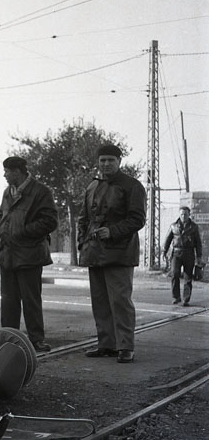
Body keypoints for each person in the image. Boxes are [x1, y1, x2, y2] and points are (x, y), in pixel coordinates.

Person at [78, 144, 146, 364]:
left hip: (120, 253)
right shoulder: (92, 186)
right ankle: (106, 344)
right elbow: (83, 219)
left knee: (120, 302)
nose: (106, 164)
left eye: (111, 160)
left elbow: (137, 219)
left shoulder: (132, 186)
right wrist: (82, 243)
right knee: (100, 302)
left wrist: (113, 231)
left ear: (119, 161)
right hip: (94, 252)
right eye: (102, 160)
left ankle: (125, 346)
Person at [0, 156, 58, 353]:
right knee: (8, 301)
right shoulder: (8, 192)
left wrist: (22, 232)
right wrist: (0, 228)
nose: (4, 175)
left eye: (7, 171)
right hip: (8, 254)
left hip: (30, 255)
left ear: (17, 172)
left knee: (31, 300)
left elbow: (50, 221)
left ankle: (37, 340)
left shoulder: (41, 191)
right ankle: (8, 338)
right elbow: (2, 215)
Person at [163, 206, 203, 307]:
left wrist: (199, 256)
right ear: (179, 215)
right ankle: (176, 297)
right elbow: (167, 240)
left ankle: (186, 299)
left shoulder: (194, 227)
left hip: (189, 253)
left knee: (188, 277)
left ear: (189, 215)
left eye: (185, 214)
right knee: (174, 274)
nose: (183, 216)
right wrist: (164, 251)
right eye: (181, 214)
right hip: (176, 253)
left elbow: (198, 243)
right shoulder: (173, 226)